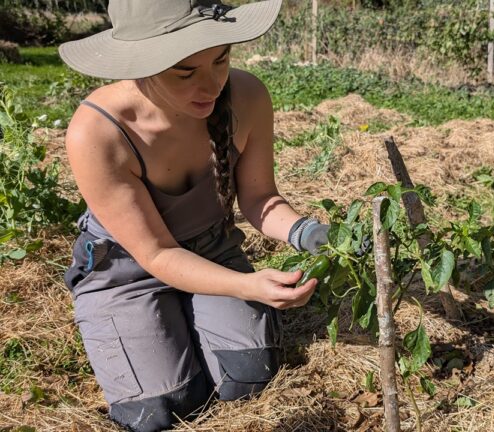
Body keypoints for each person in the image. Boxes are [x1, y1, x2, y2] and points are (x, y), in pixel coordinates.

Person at [58, 1, 329, 430]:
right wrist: (246, 285)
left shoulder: (248, 97)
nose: (212, 84)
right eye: (185, 71)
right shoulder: (99, 132)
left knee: (249, 376)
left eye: (221, 59)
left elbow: (259, 198)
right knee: (161, 411)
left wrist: (307, 232)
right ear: (140, 63)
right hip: (126, 271)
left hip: (212, 249)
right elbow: (158, 254)